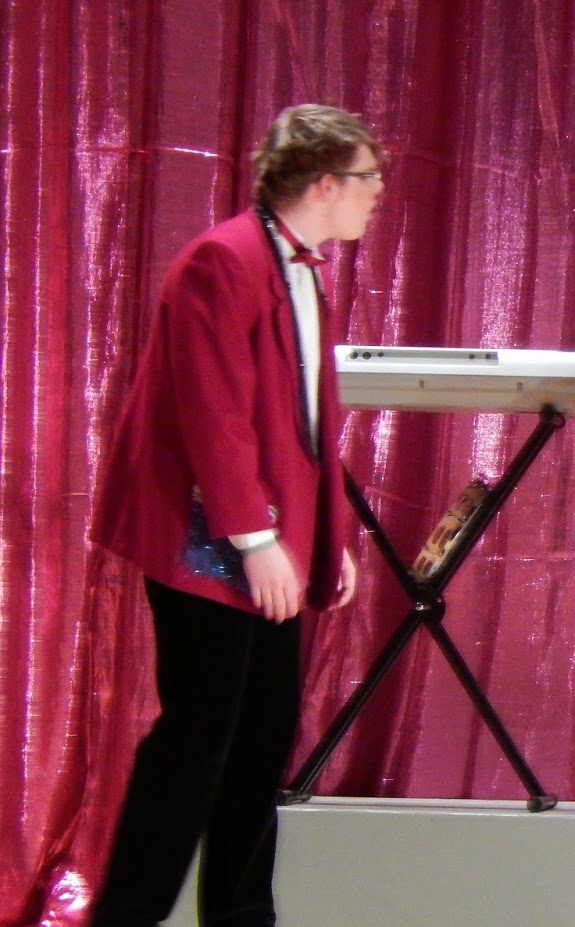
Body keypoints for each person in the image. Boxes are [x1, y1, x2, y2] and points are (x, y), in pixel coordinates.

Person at [88, 104, 384, 927]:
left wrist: (326, 537)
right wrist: (255, 539)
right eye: (367, 178)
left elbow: (307, 422)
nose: (377, 194)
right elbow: (212, 413)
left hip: (267, 537)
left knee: (262, 738)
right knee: (198, 739)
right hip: (207, 537)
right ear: (324, 183)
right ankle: (126, 915)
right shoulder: (222, 259)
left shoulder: (303, 270)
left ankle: (242, 915)